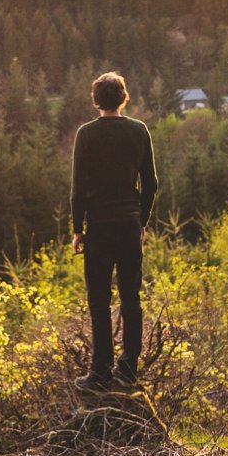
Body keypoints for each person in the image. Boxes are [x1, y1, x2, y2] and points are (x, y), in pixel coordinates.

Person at [70, 71, 157, 391]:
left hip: (100, 227)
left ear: (96, 100)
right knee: (131, 297)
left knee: (99, 299)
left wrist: (78, 229)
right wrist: (142, 220)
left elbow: (78, 189)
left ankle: (101, 371)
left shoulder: (86, 134)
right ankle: (129, 369)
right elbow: (151, 183)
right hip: (129, 224)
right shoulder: (139, 131)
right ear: (124, 97)